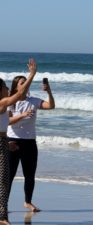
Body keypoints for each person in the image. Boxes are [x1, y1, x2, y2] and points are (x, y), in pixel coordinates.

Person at [7, 74, 55, 212]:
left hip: (29, 142)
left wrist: (49, 91)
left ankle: (28, 202)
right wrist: (22, 115)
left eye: (26, 81)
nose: (26, 83)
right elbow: (8, 122)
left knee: (30, 175)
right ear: (16, 87)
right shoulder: (10, 102)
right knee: (9, 175)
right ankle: (3, 204)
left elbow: (51, 106)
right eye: (22, 82)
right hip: (13, 141)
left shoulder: (33, 100)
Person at [0, 58, 37, 225]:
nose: (8, 89)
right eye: (5, 87)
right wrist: (32, 74)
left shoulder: (3, 107)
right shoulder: (1, 104)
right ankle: (2, 217)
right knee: (3, 180)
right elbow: (21, 94)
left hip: (4, 142)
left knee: (4, 179)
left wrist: (6, 142)